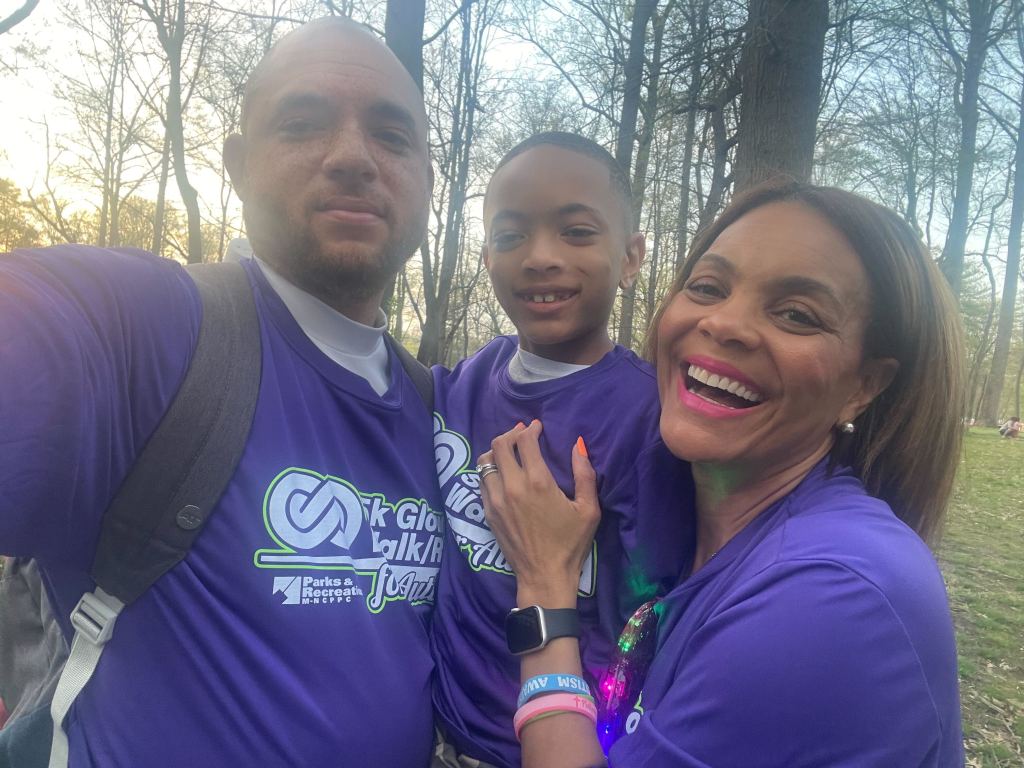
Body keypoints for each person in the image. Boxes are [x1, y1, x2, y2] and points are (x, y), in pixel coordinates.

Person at [0, 18, 444, 766]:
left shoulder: (443, 413)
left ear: (428, 176)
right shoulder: (149, 331)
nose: (352, 157)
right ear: (238, 166)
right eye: (303, 124)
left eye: (392, 136)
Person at [478, 179, 965, 766]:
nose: (725, 323)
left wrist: (544, 585)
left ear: (864, 386)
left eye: (796, 314)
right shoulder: (686, 526)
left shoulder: (831, 594)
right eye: (708, 286)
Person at [430, 133, 691, 768]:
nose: (540, 257)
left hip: (544, 746)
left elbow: (648, 621)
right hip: (430, 731)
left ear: (630, 259)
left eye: (576, 232)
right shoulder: (465, 381)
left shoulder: (648, 421)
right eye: (511, 235)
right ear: (487, 255)